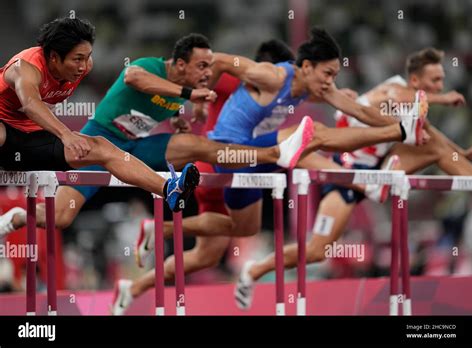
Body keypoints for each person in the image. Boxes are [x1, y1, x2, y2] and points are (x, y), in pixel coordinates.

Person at [0, 33, 319, 237]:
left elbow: (158, 105)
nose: (208, 73)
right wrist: (187, 94)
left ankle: (275, 154)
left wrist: (180, 116)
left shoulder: (183, 92)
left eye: (210, 66)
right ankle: (16, 217)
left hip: (137, 148)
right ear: (180, 64)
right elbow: (135, 79)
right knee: (61, 218)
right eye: (202, 66)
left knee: (199, 146)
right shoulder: (149, 67)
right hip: (102, 143)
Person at [235, 47, 472, 310]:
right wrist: (444, 99)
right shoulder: (388, 92)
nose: (441, 86)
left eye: (442, 80)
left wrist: (461, 152)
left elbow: (436, 139)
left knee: (435, 147)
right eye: (435, 81)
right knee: (316, 251)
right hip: (345, 176)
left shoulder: (416, 110)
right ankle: (254, 270)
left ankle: (385, 180)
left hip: (379, 169)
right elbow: (396, 96)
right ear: (416, 82)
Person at [111, 39, 297, 315]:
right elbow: (208, 72)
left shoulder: (278, 99)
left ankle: (135, 286)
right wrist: (196, 104)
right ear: (267, 68)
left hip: (233, 167)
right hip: (217, 164)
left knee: (205, 255)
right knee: (245, 227)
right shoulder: (239, 84)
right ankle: (162, 229)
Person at [0, 17, 200, 237]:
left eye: (87, 58)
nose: (84, 66)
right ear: (54, 57)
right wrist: (66, 134)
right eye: (77, 59)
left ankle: (169, 189)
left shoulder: (83, 68)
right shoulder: (24, 67)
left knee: (103, 147)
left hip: (32, 141)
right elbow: (30, 104)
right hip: (5, 134)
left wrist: (173, 113)